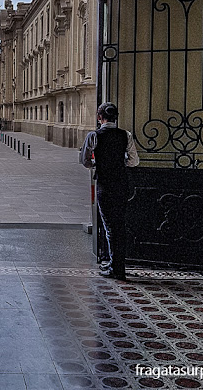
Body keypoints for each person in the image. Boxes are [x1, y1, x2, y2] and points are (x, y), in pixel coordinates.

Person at [80, 102, 139, 281]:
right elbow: (134, 161)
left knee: (109, 226)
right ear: (116, 117)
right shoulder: (125, 135)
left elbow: (85, 161)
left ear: (99, 117)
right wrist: (119, 164)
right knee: (119, 224)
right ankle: (116, 262)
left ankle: (116, 268)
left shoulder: (94, 136)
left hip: (105, 185)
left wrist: (99, 164)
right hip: (122, 184)